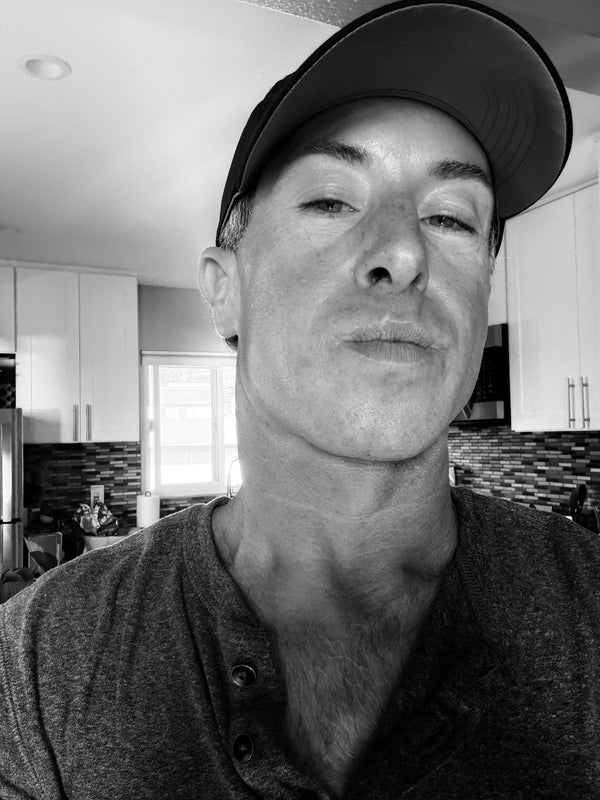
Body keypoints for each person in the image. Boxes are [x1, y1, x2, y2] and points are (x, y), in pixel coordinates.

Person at [1, 2, 598, 798]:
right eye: (331, 201)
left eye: (451, 217)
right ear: (225, 291)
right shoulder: (40, 663)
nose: (403, 251)